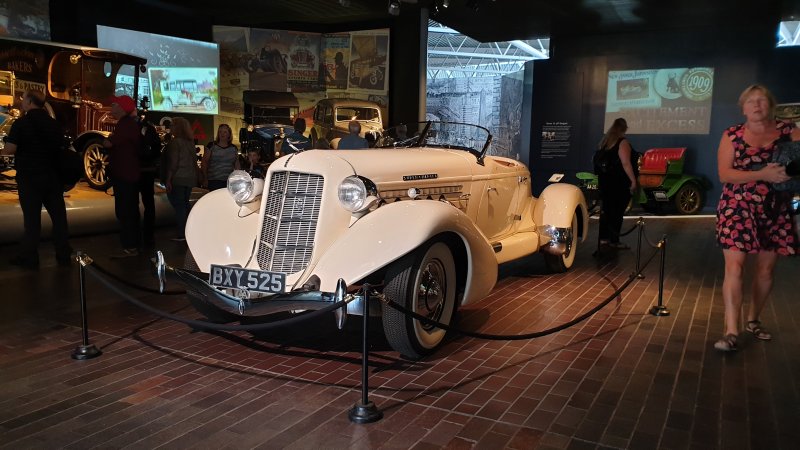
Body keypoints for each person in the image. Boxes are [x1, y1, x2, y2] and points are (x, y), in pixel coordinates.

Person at [713, 84, 799, 352]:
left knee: (766, 270)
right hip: (737, 207)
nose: (757, 105)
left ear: (770, 105)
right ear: (743, 107)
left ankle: (753, 319)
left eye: (762, 100)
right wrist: (762, 174)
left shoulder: (790, 132)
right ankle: (730, 330)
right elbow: (725, 175)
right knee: (734, 268)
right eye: (751, 101)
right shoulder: (733, 135)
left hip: (775, 207)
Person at [1, 89, 71, 269]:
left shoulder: (21, 123)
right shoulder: (53, 124)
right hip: (52, 178)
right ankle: (63, 255)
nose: (22, 101)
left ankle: (30, 258)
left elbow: (9, 150)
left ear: (30, 102)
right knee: (59, 219)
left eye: (24, 99)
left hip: (30, 178)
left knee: (32, 222)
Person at [104, 95, 142, 258]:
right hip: (129, 175)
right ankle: (133, 245)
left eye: (114, 104)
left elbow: (109, 143)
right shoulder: (129, 124)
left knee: (125, 211)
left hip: (125, 176)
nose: (111, 106)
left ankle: (129, 246)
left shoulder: (125, 125)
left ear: (120, 108)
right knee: (130, 210)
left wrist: (108, 140)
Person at [595, 117, 637, 252]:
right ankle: (614, 240)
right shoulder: (622, 142)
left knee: (606, 211)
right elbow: (626, 163)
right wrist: (633, 181)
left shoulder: (605, 142)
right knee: (617, 212)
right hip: (618, 183)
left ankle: (604, 239)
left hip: (605, 182)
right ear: (624, 129)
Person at [163, 117, 197, 242]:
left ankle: (182, 233)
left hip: (178, 178)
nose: (170, 128)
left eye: (172, 125)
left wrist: (168, 179)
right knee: (184, 204)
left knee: (179, 206)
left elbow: (173, 163)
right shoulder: (190, 142)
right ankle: (189, 231)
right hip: (189, 178)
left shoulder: (175, 143)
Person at [138, 114, 160, 246]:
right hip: (147, 170)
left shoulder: (143, 130)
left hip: (140, 170)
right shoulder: (150, 130)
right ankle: (148, 235)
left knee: (144, 204)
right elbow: (156, 150)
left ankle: (144, 235)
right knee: (149, 204)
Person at [201, 123, 239, 191]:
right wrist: (205, 178)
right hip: (214, 180)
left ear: (229, 134)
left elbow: (237, 164)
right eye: (220, 132)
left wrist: (238, 178)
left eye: (225, 132)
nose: (222, 134)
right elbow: (204, 162)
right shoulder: (211, 146)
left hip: (229, 180)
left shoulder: (234, 148)